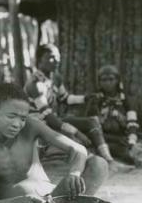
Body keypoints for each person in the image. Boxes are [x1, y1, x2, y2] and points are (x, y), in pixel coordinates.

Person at [24, 43, 133, 173]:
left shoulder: (55, 77)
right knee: (73, 135)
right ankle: (90, 166)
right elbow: (48, 116)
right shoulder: (36, 83)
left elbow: (65, 98)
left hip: (50, 120)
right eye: (51, 57)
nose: (57, 60)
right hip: (38, 124)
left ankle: (109, 161)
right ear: (40, 60)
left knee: (92, 121)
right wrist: (75, 132)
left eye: (58, 56)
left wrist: (85, 98)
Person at [84, 65, 142, 166]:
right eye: (104, 80)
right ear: (99, 82)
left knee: (137, 154)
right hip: (103, 138)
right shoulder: (95, 99)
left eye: (111, 79)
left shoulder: (125, 100)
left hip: (122, 138)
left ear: (117, 80)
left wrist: (131, 141)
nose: (108, 83)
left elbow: (132, 123)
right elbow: (92, 125)